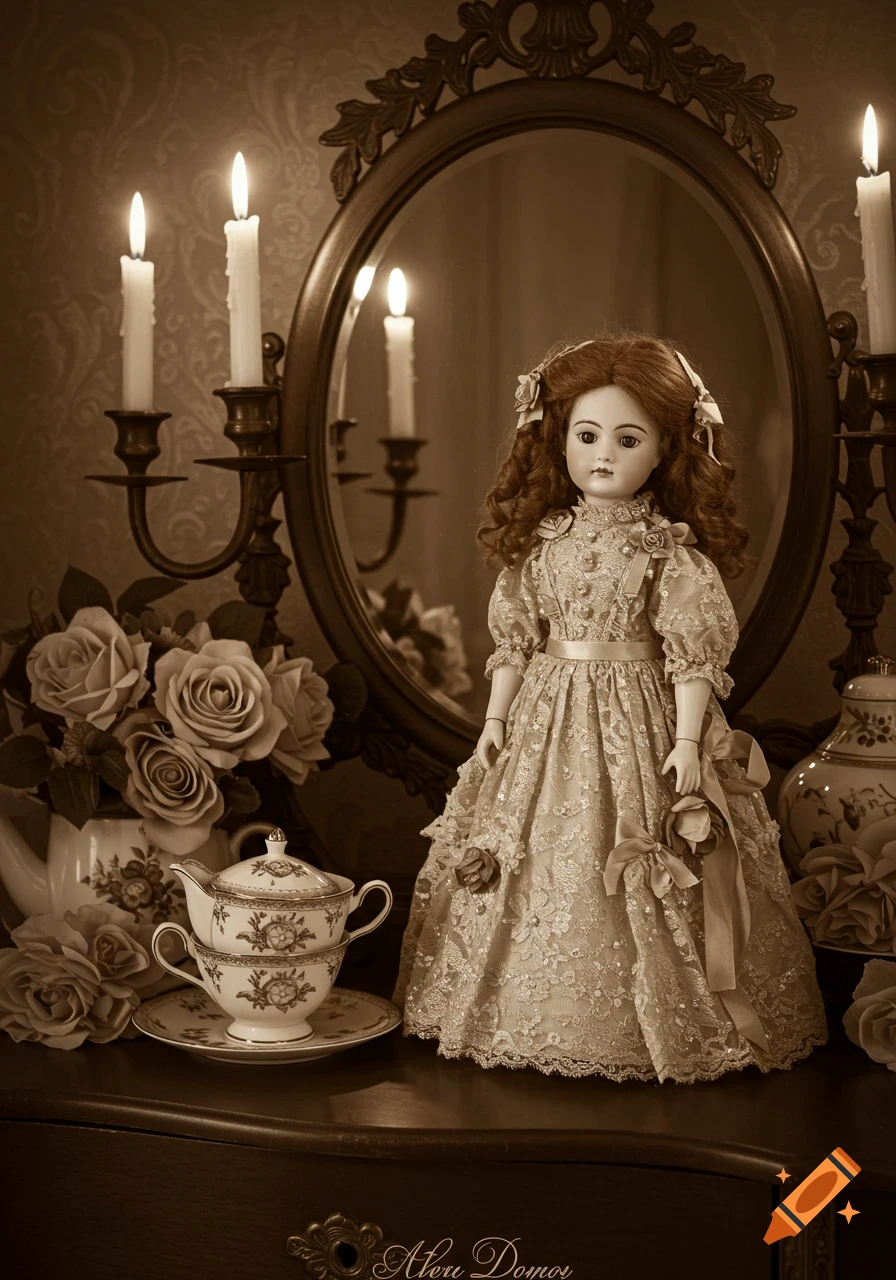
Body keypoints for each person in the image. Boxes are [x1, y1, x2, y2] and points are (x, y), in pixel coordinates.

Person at [391, 333, 827, 1083]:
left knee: (651, 858)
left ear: (664, 449)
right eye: (586, 436)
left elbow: (693, 657)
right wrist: (494, 723)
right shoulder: (543, 547)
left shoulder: (668, 553)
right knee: (530, 857)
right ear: (558, 441)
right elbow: (515, 644)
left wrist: (688, 743)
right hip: (544, 720)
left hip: (643, 718)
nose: (603, 455)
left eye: (628, 440)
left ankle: (661, 1026)